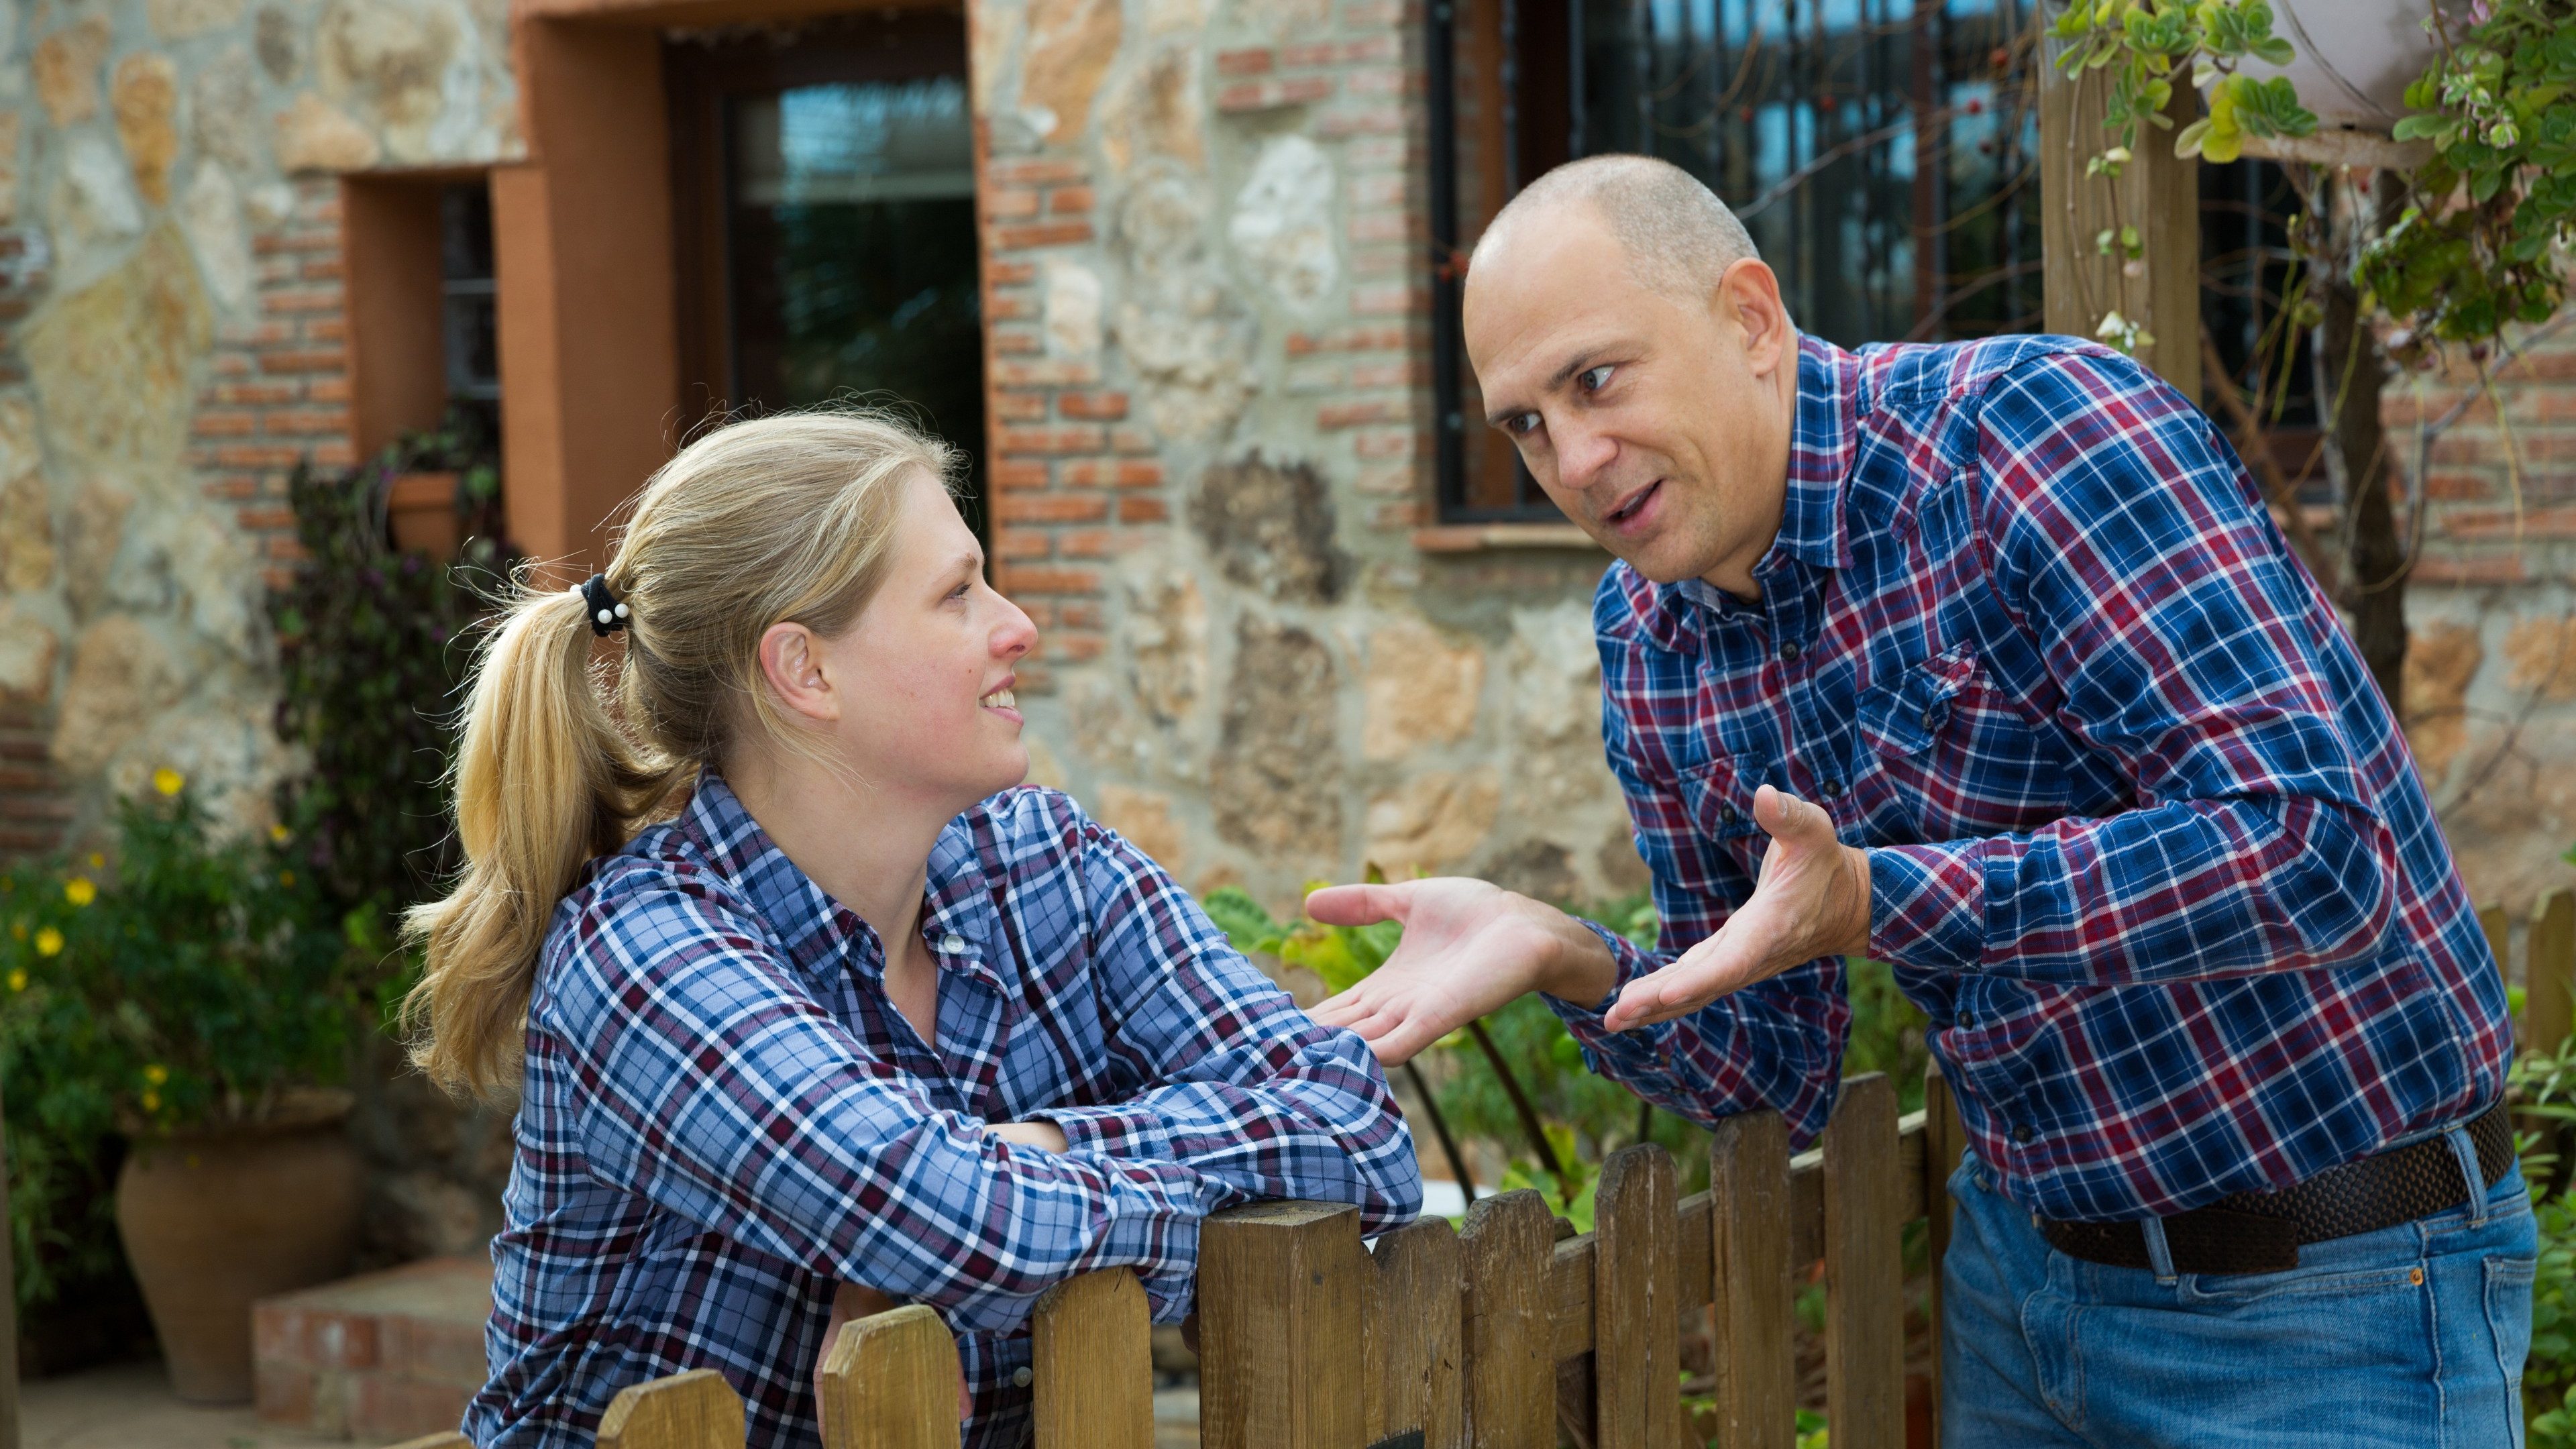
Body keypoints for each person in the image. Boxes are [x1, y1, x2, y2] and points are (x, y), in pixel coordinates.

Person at [1308, 155, 2528, 1446]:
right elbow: (1773, 1063)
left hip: (2334, 1285)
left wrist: (1882, 898)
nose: (1575, 457)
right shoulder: (1650, 639)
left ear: (1750, 318)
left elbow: (2314, 851)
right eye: (1526, 425)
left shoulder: (2033, 437)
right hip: (2020, 1289)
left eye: (1596, 379)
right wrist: (1562, 955)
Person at [402, 411, 1420, 1449]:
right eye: (956, 593)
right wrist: (1004, 1194)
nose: (1015, 624)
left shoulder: (1043, 863)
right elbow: (954, 1225)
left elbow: (1360, 1132)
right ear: (806, 671)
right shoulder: (644, 959)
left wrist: (1038, 1144)